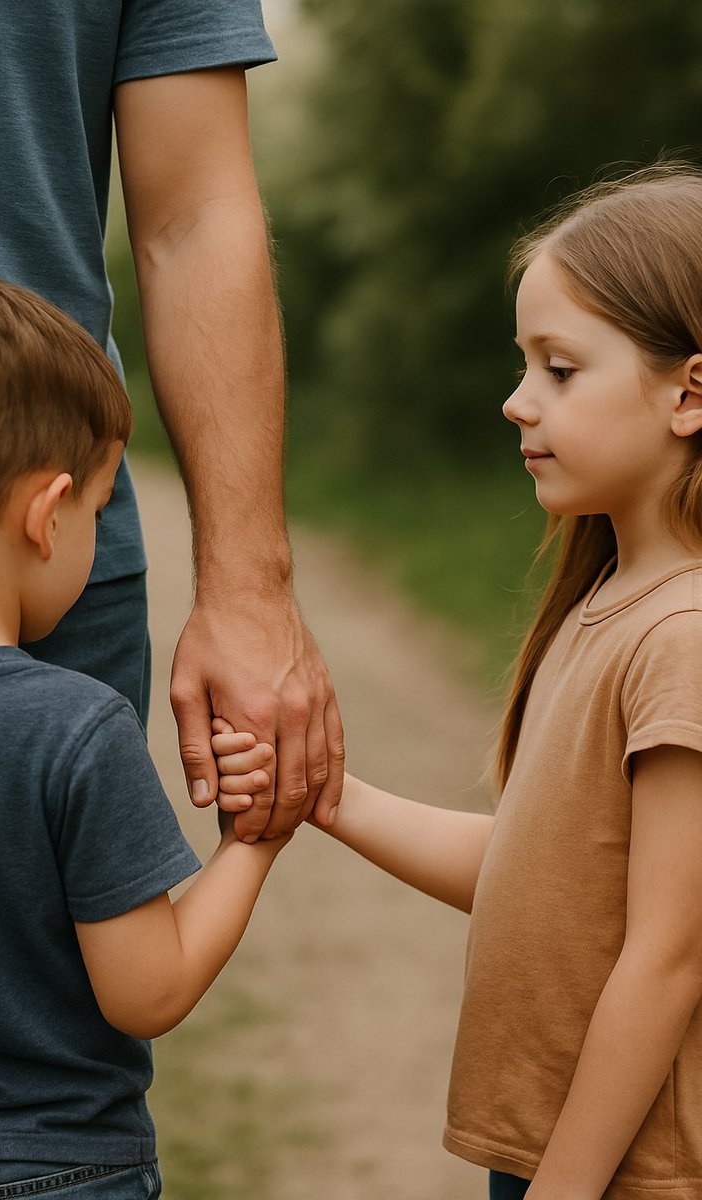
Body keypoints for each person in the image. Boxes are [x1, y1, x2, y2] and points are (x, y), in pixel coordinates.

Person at [215, 164, 702, 1199]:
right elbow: (537, 875)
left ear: (687, 394)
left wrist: (564, 1188)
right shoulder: (603, 602)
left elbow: (668, 958)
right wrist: (322, 796)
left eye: (559, 369)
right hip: (543, 1160)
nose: (515, 398)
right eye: (522, 363)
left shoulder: (682, 637)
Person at [0, 0, 344, 843]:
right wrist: (259, 853)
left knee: (38, 968)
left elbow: (194, 215)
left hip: (41, 587)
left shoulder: (65, 725)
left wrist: (247, 592)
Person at [0, 276, 289, 1197]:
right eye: (103, 505)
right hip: (53, 1168)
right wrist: (255, 841)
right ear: (46, 514)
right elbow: (147, 991)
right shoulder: (72, 729)